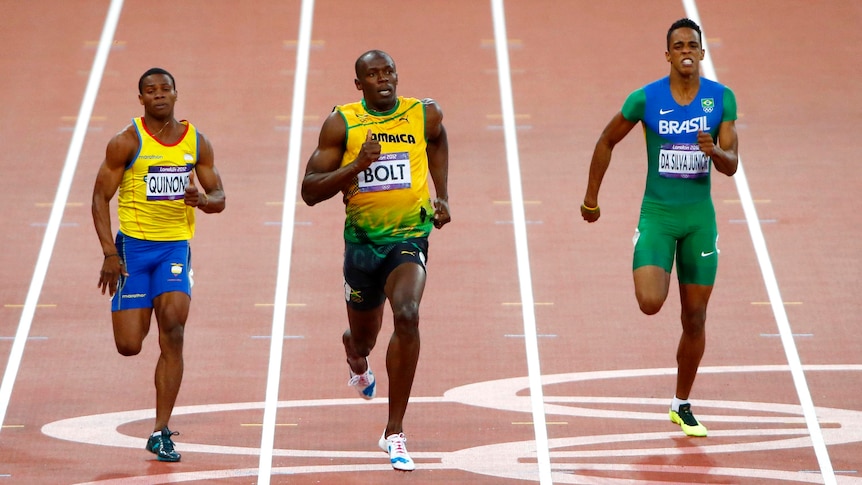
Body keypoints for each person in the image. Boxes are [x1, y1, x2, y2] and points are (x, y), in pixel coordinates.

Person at [581, 18, 739, 437]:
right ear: (667, 54)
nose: (686, 50)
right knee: (651, 302)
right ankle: (653, 257)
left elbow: (732, 165)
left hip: (699, 220)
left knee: (695, 317)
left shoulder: (721, 99)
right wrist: (591, 198)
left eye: (693, 44)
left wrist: (715, 152)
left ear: (702, 54)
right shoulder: (645, 99)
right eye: (678, 45)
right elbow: (606, 139)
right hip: (659, 215)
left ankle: (681, 404)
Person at [301, 50, 450, 471]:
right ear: (359, 84)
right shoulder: (342, 123)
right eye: (372, 74)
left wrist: (442, 195)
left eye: (388, 71)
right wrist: (357, 165)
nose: (383, 79)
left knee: (407, 313)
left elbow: (438, 141)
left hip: (409, 238)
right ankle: (354, 352)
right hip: (362, 245)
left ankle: (394, 432)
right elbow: (310, 191)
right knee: (364, 338)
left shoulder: (424, 115)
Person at [91, 67, 225, 461]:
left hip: (173, 250)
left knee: (174, 330)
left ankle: (160, 429)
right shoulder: (126, 142)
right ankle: (141, 304)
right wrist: (110, 254)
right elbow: (100, 197)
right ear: (141, 100)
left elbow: (219, 195)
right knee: (130, 345)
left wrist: (202, 200)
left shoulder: (197, 143)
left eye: (165, 89)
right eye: (151, 91)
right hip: (133, 250)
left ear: (176, 94)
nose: (159, 95)